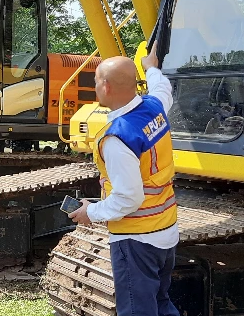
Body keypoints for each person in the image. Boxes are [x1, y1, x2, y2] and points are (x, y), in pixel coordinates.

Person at [69, 42, 179, 316]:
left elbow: (129, 197)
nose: (94, 87)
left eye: (95, 82)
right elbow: (163, 90)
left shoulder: (117, 138)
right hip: (166, 230)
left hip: (137, 239)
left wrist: (90, 212)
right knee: (161, 303)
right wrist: (151, 68)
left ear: (106, 87)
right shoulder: (153, 108)